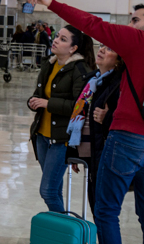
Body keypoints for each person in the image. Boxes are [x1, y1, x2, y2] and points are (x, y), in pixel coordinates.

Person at [26, 0, 144, 244]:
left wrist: (49, 1)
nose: (129, 25)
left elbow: (93, 24)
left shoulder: (141, 42)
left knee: (106, 212)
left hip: (129, 140)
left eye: (134, 19)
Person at [67, 44, 125, 244]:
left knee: (103, 214)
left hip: (106, 155)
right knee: (97, 209)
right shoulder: (94, 79)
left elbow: (121, 118)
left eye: (110, 49)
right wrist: (75, 150)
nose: (102, 50)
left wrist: (108, 117)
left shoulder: (118, 84)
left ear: (119, 61)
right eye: (101, 46)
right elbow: (80, 113)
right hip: (90, 153)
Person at [27, 25, 94, 212]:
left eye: (63, 39)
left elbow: (79, 107)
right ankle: (60, 236)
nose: (56, 40)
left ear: (73, 48)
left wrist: (47, 104)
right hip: (41, 135)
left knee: (47, 191)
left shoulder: (80, 69)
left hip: (61, 139)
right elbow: (39, 94)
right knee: (54, 189)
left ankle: (64, 231)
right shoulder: (50, 64)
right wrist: (33, 101)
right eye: (57, 36)